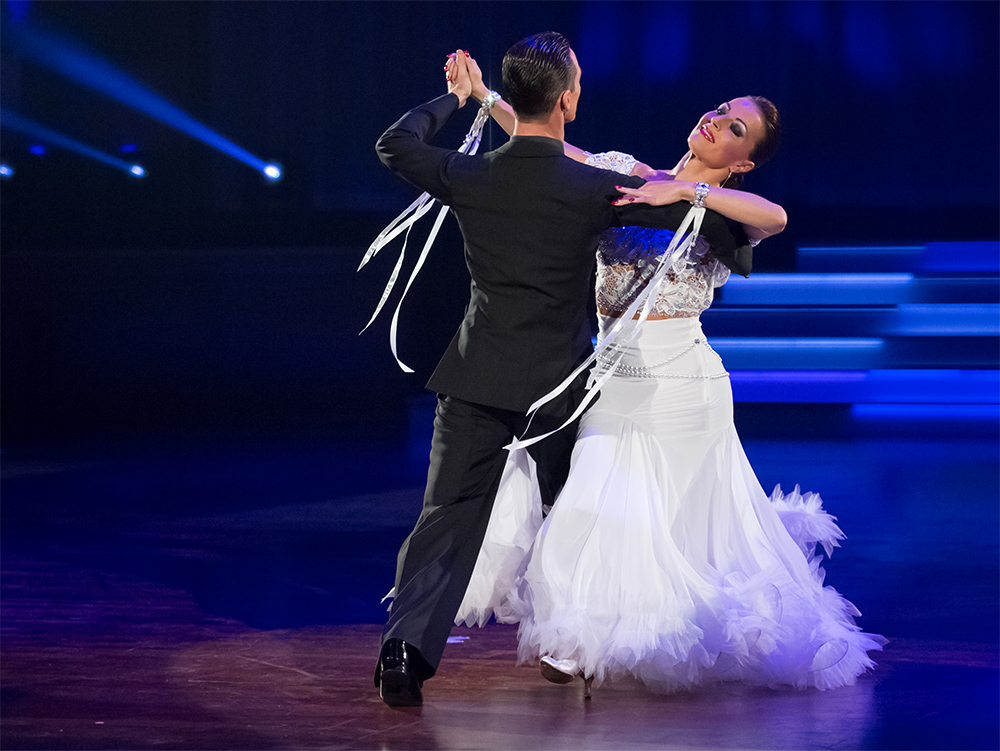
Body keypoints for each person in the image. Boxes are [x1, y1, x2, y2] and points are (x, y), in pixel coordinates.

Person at [456, 79, 887, 696]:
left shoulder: (724, 216)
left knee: (685, 534)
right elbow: (552, 146)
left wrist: (690, 190)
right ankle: (577, 639)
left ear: (742, 161)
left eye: (736, 128)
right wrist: (483, 95)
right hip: (612, 378)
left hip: (684, 388)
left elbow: (778, 217)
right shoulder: (626, 174)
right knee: (591, 508)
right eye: (720, 110)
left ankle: (601, 645)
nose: (717, 120)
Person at [371, 32, 754, 707]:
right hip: (566, 384)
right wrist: (689, 194)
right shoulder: (598, 185)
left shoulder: (477, 174)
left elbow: (395, 146)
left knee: (451, 513)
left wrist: (459, 101)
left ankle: (408, 651)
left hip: (482, 375)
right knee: (573, 511)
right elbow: (726, 216)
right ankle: (576, 635)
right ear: (569, 99)